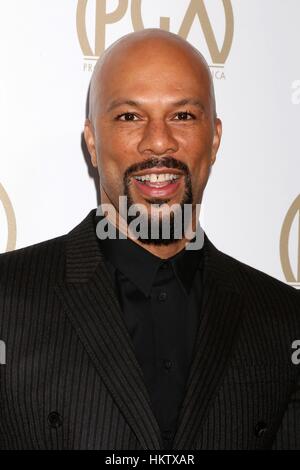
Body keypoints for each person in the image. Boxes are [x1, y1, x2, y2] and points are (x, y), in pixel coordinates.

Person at [0, 29, 299, 451]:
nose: (158, 141)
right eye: (129, 116)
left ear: (213, 139)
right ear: (92, 142)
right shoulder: (6, 303)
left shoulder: (284, 320)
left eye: (182, 116)